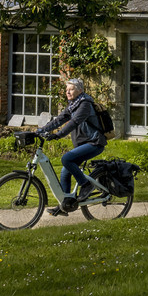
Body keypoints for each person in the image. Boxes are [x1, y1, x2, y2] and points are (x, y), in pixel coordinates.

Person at [38, 77, 107, 212]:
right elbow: (60, 119)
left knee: (66, 159)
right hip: (84, 143)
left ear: (80, 90)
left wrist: (58, 135)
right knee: (65, 171)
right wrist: (41, 130)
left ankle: (86, 185)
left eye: (71, 89)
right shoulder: (73, 104)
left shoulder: (85, 104)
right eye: (66, 89)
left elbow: (74, 122)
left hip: (94, 143)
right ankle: (64, 205)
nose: (67, 92)